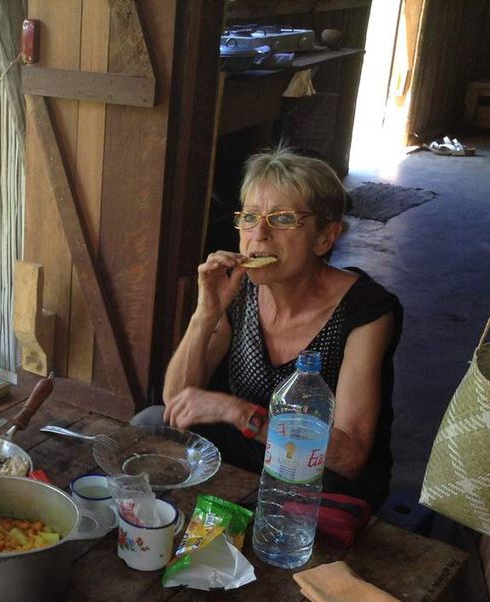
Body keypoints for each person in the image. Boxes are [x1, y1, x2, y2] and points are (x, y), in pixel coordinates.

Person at [150, 146, 402, 508]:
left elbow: (350, 456)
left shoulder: (365, 311)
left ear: (324, 237)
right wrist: (205, 314)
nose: (260, 234)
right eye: (250, 217)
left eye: (283, 219)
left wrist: (237, 413)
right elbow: (175, 402)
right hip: (248, 456)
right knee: (151, 424)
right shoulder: (241, 289)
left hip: (318, 481)